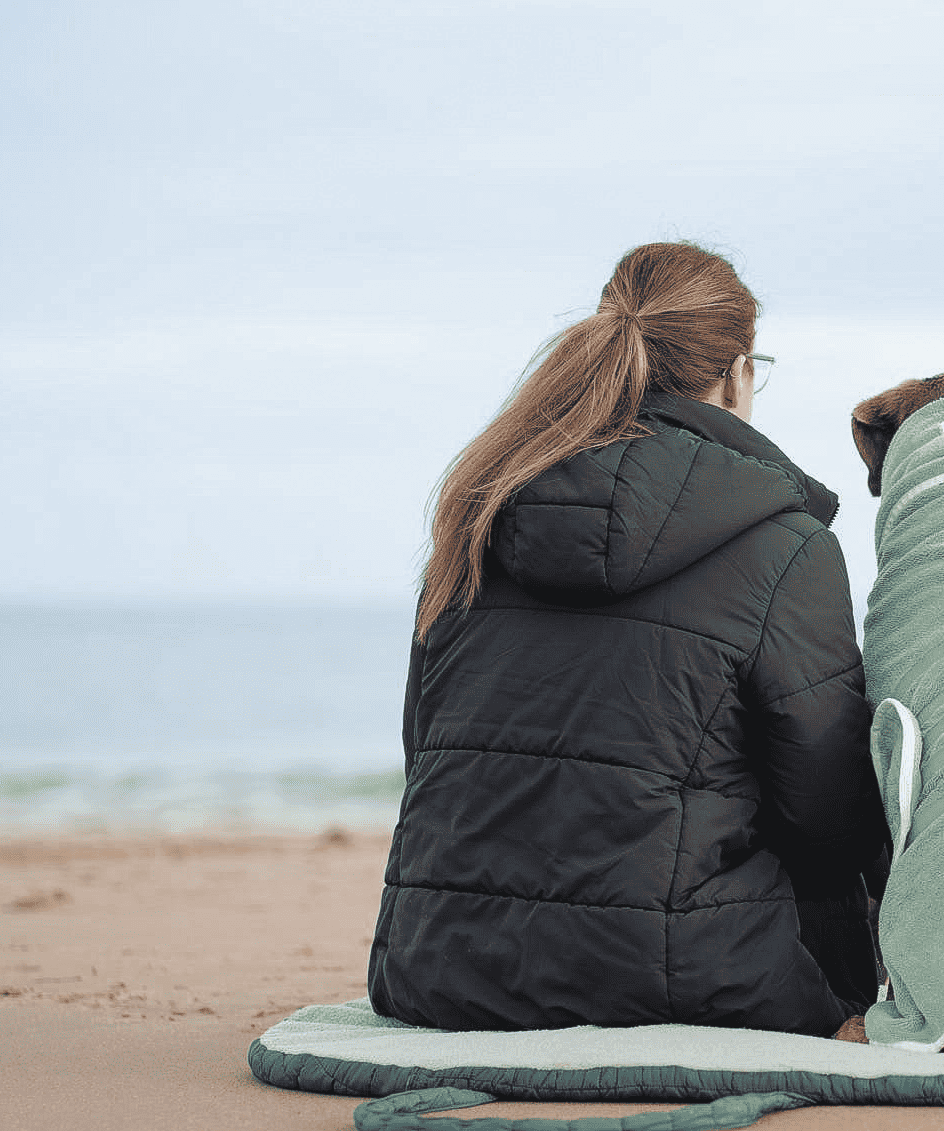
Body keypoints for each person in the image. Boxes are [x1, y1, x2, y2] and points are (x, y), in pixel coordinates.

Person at [367, 242, 889, 1038]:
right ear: (739, 374)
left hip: (441, 972)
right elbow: (826, 815)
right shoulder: (786, 545)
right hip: (695, 984)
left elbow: (426, 751)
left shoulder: (477, 513)